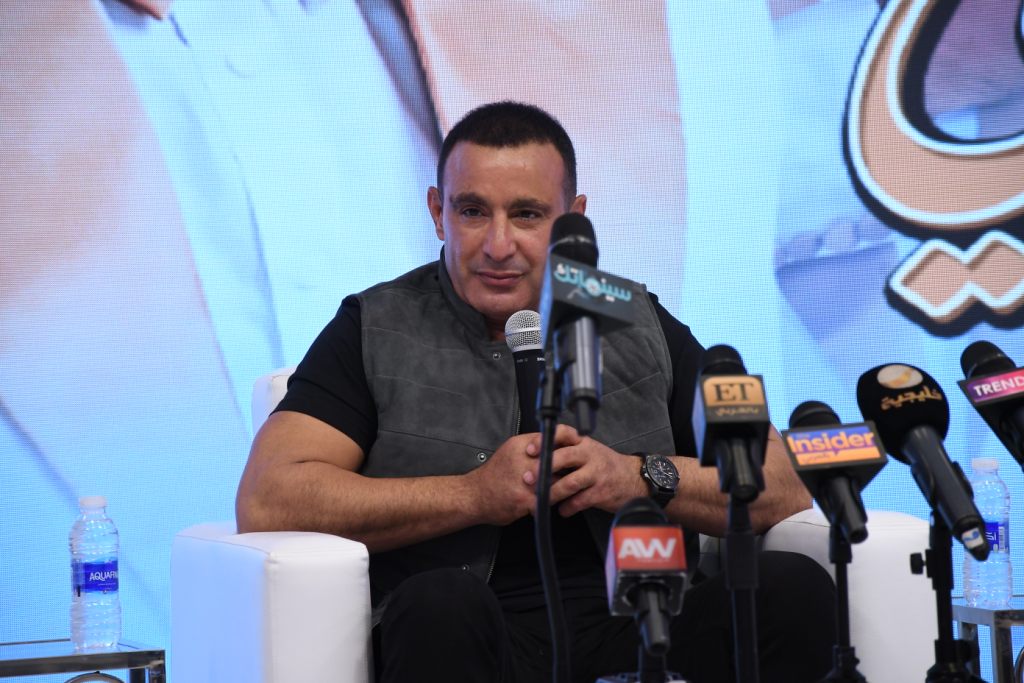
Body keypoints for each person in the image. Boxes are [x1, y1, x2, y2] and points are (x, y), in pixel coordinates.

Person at [236, 101, 834, 683]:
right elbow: (268, 498)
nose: (498, 245)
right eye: (473, 211)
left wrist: (636, 477)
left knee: (792, 586)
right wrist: (472, 495)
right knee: (439, 604)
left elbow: (780, 479)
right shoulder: (377, 323)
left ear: (573, 221)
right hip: (471, 633)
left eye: (526, 215)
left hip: (642, 621)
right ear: (438, 213)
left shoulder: (634, 314)